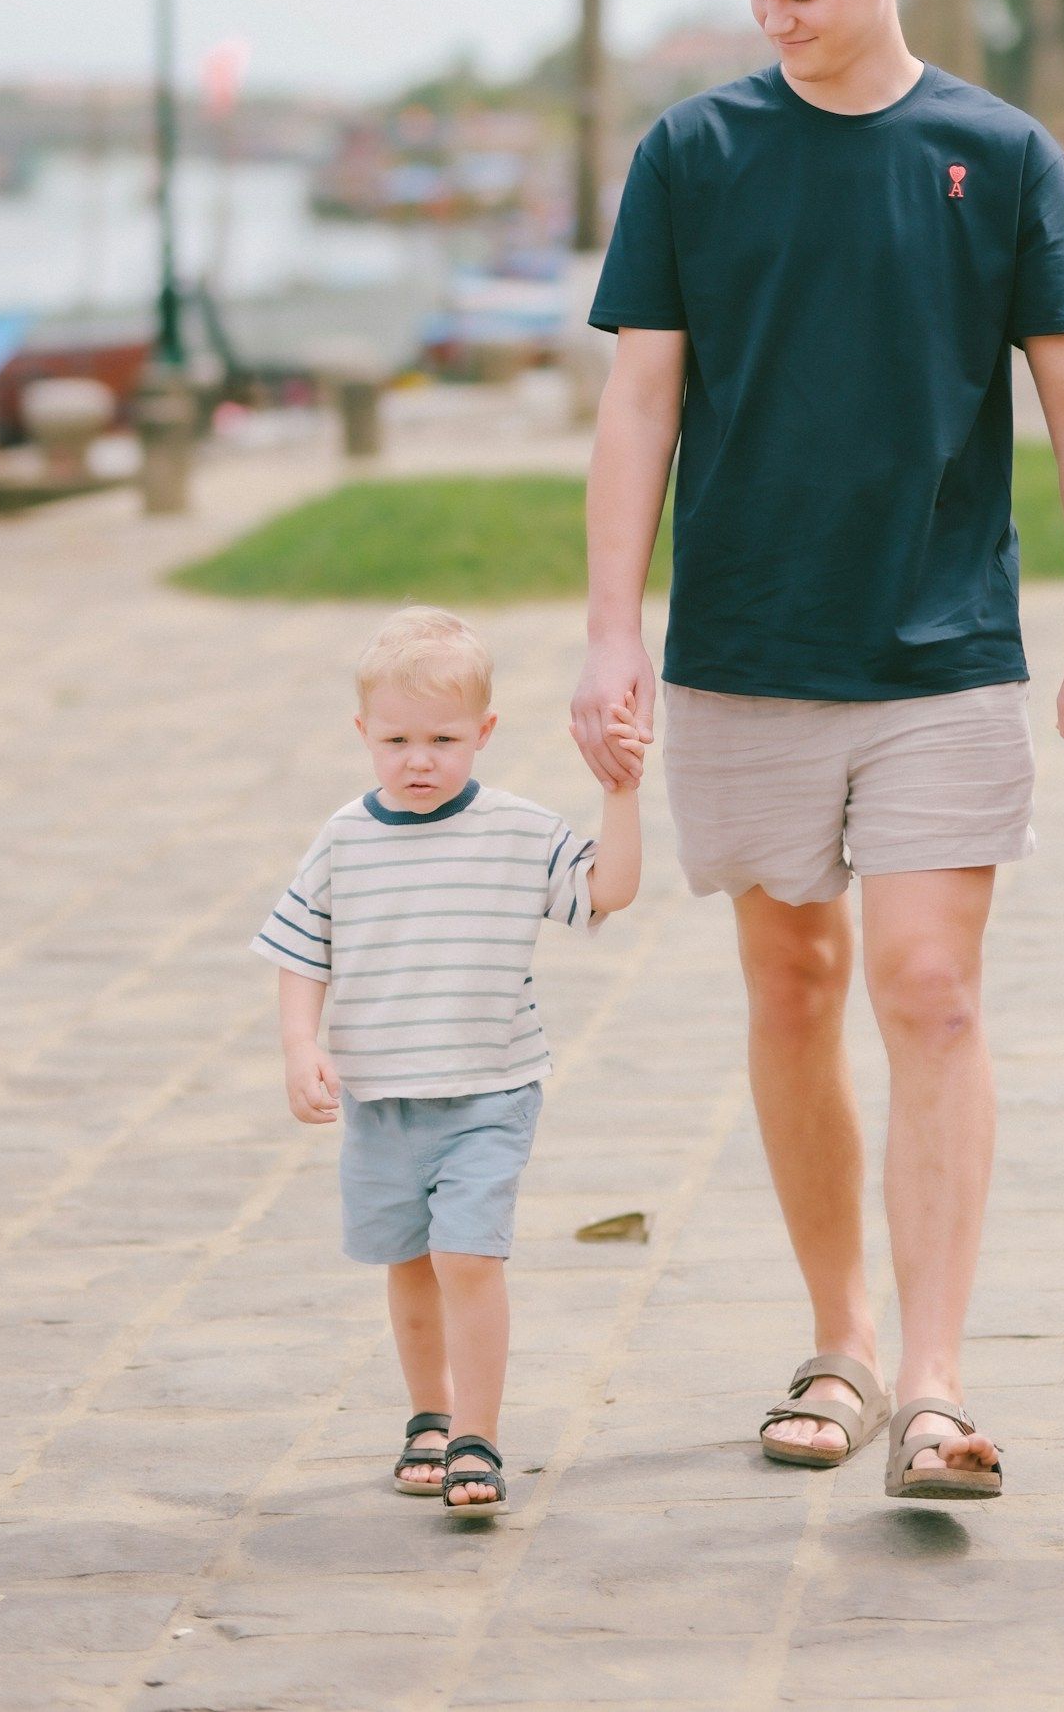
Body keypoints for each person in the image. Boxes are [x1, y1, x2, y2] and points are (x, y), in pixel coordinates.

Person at [571, 0, 1064, 1502]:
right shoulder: (692, 152)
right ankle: (835, 1334)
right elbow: (640, 401)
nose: (782, 20)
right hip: (746, 640)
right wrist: (613, 621)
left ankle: (932, 1376)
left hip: (944, 648)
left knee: (928, 983)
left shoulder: (1000, 152)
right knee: (793, 981)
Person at [256, 606, 640, 1518]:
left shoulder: (516, 831)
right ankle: (426, 1415)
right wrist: (299, 1046)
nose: (417, 758)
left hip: (490, 1088)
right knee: (410, 1262)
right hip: (384, 1095)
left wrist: (620, 791)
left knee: (468, 1253)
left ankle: (478, 1431)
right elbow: (302, 951)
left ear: (485, 732)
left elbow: (608, 891)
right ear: (363, 734)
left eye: (442, 738)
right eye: (395, 739)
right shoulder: (345, 837)